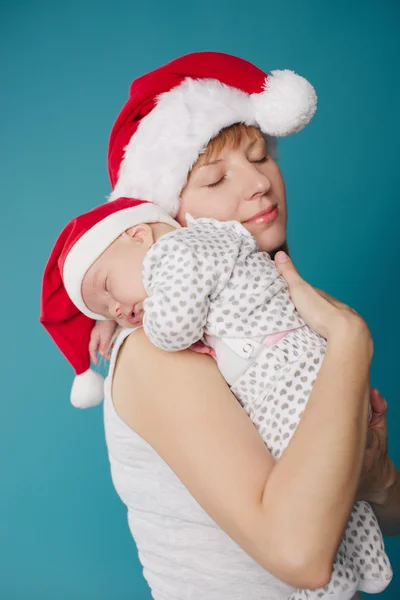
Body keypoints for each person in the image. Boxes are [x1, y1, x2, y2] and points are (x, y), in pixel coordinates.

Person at [40, 52, 400, 600]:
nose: (259, 182)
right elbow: (302, 557)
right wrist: (352, 341)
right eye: (215, 179)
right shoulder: (160, 352)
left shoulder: (276, 321)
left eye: (261, 156)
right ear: (166, 221)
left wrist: (375, 478)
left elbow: (388, 515)